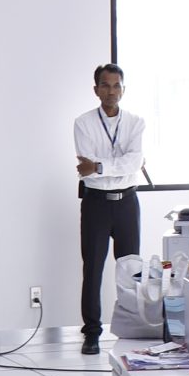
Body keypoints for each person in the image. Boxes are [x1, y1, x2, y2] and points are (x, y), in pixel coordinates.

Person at [73, 62, 147, 357]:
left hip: (127, 202)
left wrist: (100, 166)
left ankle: (133, 329)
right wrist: (116, 166)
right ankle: (92, 333)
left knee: (131, 270)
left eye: (117, 86)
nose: (111, 91)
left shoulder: (136, 122)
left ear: (123, 90)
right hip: (96, 204)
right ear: (96, 90)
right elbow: (86, 168)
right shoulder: (83, 123)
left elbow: (134, 162)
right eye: (105, 85)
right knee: (93, 269)